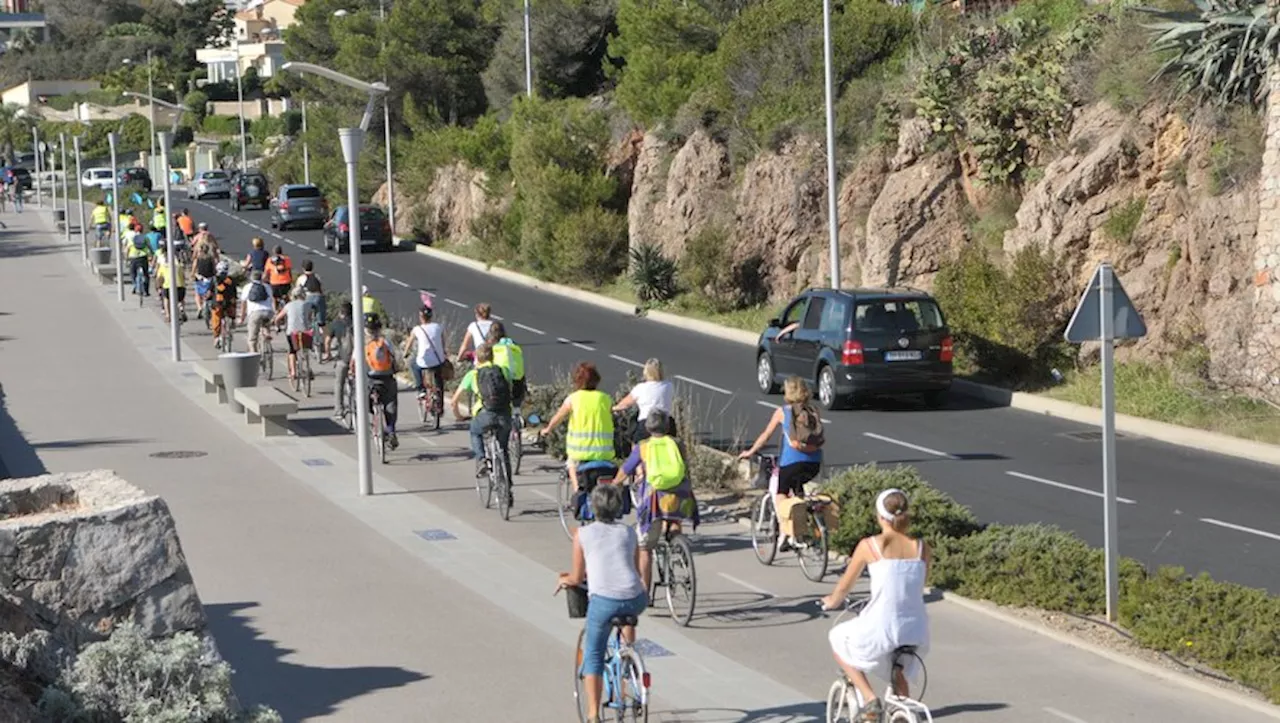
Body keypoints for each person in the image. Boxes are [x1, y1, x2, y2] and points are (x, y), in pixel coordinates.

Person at [822, 489, 931, 722]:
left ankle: (870, 699)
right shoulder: (922, 548)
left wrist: (831, 601)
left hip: (882, 626)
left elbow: (844, 587)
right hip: (916, 628)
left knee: (838, 638)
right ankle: (903, 712)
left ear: (880, 516)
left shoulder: (870, 545)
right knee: (898, 667)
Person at [555, 483, 647, 723]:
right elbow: (635, 570)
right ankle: (629, 658)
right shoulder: (628, 532)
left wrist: (565, 580)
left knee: (594, 655)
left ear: (592, 507)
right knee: (626, 611)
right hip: (636, 598)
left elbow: (577, 577)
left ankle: (594, 714)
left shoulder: (582, 535)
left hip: (605, 602)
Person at [738, 375, 824, 551]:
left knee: (780, 494)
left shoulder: (783, 412)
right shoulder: (814, 410)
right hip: (814, 462)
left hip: (792, 462)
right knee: (798, 492)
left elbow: (765, 435)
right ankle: (804, 527)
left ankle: (789, 533)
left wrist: (750, 451)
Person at [621, 410, 699, 593]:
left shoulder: (643, 446)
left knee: (645, 547)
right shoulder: (678, 444)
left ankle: (645, 593)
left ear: (648, 427)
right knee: (673, 517)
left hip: (654, 498)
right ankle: (676, 538)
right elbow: (685, 466)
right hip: (679, 495)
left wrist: (616, 484)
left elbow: (626, 469)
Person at [539, 361, 616, 499]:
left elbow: (559, 416)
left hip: (580, 451)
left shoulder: (573, 399)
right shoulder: (605, 398)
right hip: (604, 452)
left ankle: (577, 491)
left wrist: (548, 429)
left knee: (571, 464)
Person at [450, 344, 513, 481]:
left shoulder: (473, 374)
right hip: (505, 414)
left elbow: (454, 401)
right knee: (503, 449)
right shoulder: (503, 371)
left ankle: (482, 459)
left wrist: (459, 416)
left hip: (484, 414)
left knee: (474, 431)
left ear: (477, 359)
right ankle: (508, 489)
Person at [353, 313, 399, 450]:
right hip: (387, 378)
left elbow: (353, 362)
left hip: (370, 379)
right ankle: (390, 430)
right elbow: (394, 358)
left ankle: (373, 417)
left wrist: (352, 372)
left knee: (362, 400)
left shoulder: (362, 343)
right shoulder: (386, 342)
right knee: (391, 403)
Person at [613, 358, 675, 443]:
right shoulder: (669, 386)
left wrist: (613, 408)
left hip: (647, 424)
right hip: (665, 423)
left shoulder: (641, 388)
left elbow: (625, 404)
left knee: (636, 445)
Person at [402, 305, 447, 403]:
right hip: (438, 359)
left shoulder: (417, 329)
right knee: (438, 377)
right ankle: (440, 402)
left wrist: (405, 353)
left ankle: (420, 389)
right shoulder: (438, 327)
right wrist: (444, 352)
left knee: (413, 364)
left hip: (424, 362)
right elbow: (443, 341)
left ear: (420, 317)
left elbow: (409, 343)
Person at [272, 287, 314, 385]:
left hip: (292, 331)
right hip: (305, 331)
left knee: (292, 351)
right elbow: (309, 317)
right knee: (305, 348)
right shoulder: (307, 304)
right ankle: (307, 364)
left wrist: (277, 327)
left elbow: (278, 318)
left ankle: (293, 372)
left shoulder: (288, 305)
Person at [485, 322, 526, 411]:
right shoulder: (513, 345)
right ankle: (517, 411)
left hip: (501, 378)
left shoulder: (492, 347)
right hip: (517, 378)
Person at [327, 302, 355, 418]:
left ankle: (339, 410)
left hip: (342, 358)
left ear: (340, 312)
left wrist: (328, 353)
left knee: (339, 383)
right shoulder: (357, 322)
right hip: (356, 359)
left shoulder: (336, 323)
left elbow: (327, 340)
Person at [239, 269, 275, 353]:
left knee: (252, 339)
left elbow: (243, 303)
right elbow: (272, 299)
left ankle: (254, 355)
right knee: (265, 324)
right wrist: (274, 313)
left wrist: (242, 317)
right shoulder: (267, 287)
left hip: (254, 313)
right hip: (267, 312)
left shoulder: (247, 287)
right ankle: (266, 333)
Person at [153, 247, 187, 323]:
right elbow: (184, 276)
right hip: (180, 285)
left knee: (166, 299)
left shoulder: (163, 267)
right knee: (181, 299)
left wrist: (158, 287)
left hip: (168, 286)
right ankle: (181, 308)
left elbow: (160, 278)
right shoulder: (179, 266)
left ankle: (168, 315)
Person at [294, 260, 326, 341]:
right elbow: (321, 288)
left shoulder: (301, 278)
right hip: (319, 297)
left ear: (303, 268)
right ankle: (322, 333)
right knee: (321, 321)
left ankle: (308, 331)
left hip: (309, 298)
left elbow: (297, 291)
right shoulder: (317, 276)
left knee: (305, 317)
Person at [211, 260, 238, 350]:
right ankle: (233, 322)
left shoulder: (214, 279)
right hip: (229, 303)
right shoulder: (230, 280)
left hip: (218, 304)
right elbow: (234, 293)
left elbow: (210, 291)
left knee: (216, 320)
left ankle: (216, 338)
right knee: (232, 310)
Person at [124, 223, 154, 296]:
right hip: (143, 257)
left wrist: (126, 258)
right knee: (146, 274)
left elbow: (127, 249)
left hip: (133, 257)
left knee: (132, 273)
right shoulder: (145, 237)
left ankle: (135, 285)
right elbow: (149, 246)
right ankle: (146, 291)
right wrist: (152, 254)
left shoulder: (133, 238)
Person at [191, 243, 218, 320]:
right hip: (210, 278)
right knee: (212, 292)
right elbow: (214, 269)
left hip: (200, 279)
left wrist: (193, 275)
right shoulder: (211, 258)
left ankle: (199, 307)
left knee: (197, 294)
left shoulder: (197, 259)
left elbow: (193, 270)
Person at [265, 245, 293, 314]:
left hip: (274, 283)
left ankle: (276, 312)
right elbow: (289, 270)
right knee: (286, 296)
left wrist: (264, 280)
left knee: (274, 298)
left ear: (273, 252)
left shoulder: (270, 260)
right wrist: (291, 279)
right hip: (286, 282)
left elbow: (266, 272)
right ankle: (289, 309)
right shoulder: (287, 259)